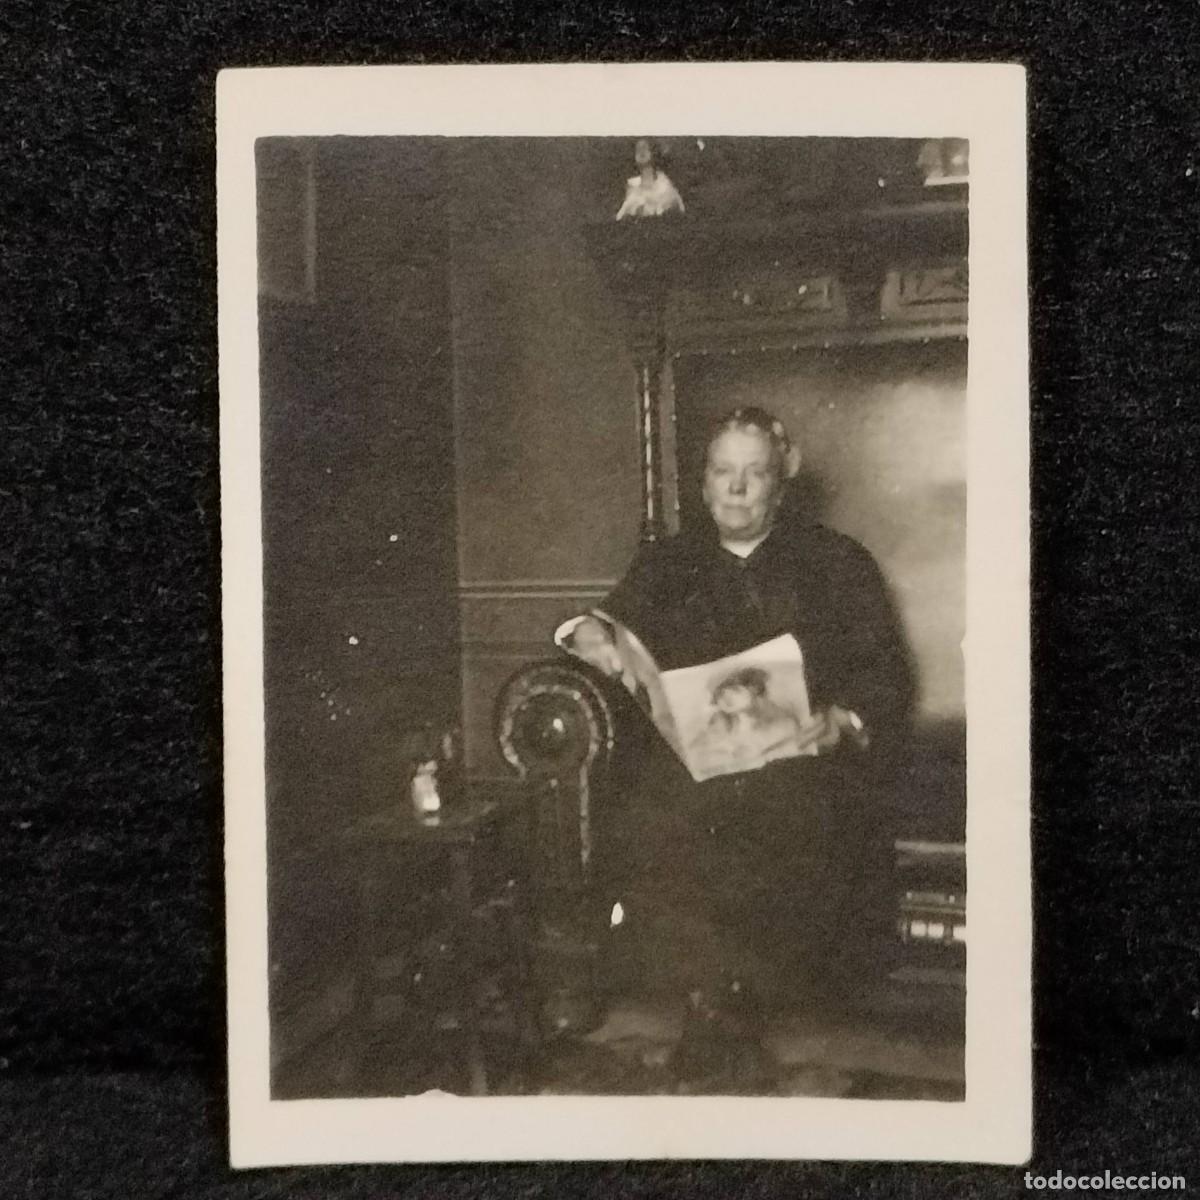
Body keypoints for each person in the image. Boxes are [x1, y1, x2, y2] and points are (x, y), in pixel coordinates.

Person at [563, 405, 915, 1088]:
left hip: (798, 764)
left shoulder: (838, 561)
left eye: (754, 474)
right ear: (702, 486)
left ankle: (725, 1012)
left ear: (781, 481)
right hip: (690, 771)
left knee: (783, 818)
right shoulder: (667, 563)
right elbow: (601, 627)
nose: (737, 488)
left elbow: (884, 673)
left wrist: (842, 718)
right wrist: (588, 634)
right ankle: (712, 1005)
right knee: (660, 818)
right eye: (723, 472)